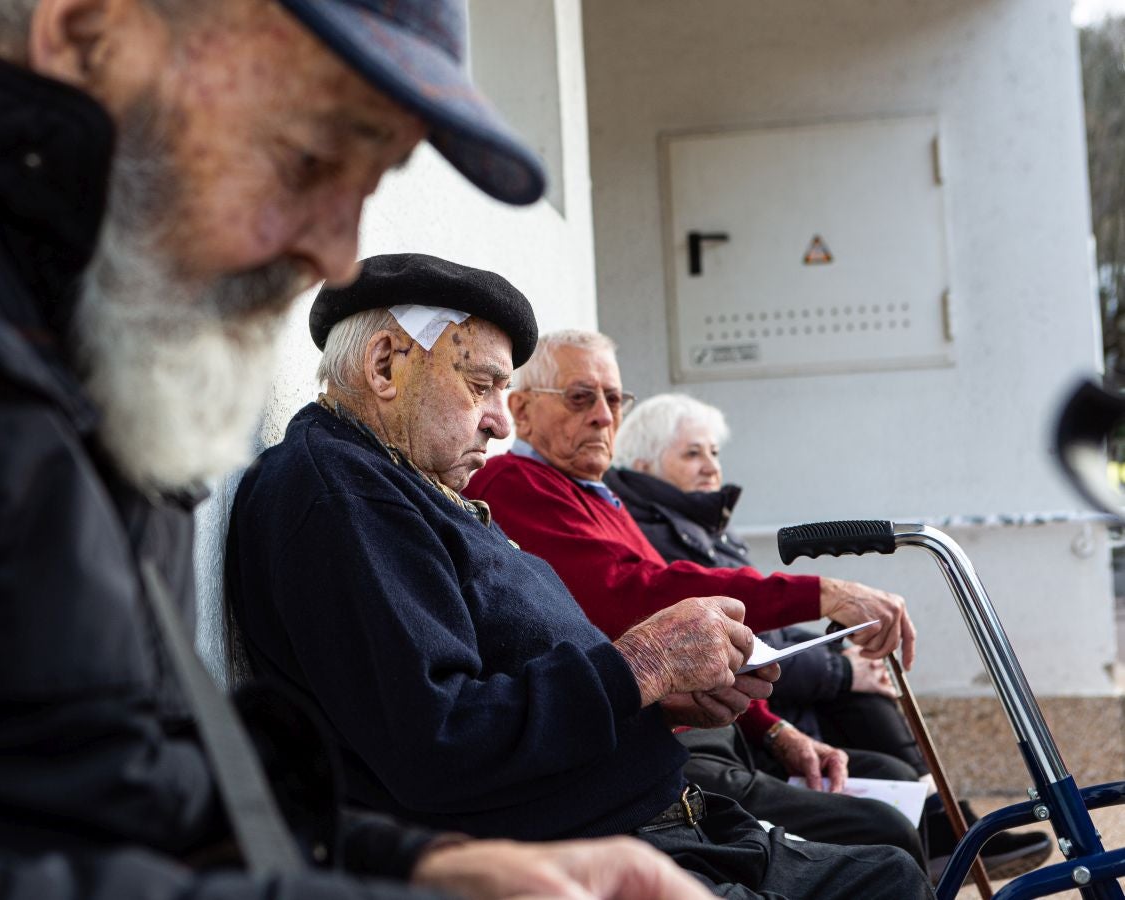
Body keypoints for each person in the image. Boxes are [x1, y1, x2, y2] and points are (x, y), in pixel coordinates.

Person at [0, 0, 717, 896]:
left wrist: (408, 869)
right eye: (309, 158)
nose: (338, 256)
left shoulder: (93, 321)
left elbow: (116, 792)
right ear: (93, 34)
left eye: (369, 185)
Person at [227, 252, 936, 899]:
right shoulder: (344, 497)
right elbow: (440, 740)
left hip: (660, 816)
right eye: (483, 386)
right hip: (591, 854)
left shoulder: (406, 483)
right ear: (385, 367)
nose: (501, 423)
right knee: (887, 879)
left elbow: (522, 679)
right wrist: (645, 665)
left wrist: (665, 700)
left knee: (892, 871)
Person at [462, 330, 928, 863]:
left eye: (613, 399)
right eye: (580, 397)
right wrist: (821, 591)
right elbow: (641, 596)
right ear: (520, 408)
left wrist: (775, 733)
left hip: (706, 734)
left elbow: (686, 626)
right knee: (884, 835)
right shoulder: (515, 483)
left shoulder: (599, 496)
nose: (603, 415)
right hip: (658, 752)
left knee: (888, 787)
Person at [604, 391, 1054, 883]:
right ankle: (945, 835)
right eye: (693, 453)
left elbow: (762, 625)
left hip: (758, 711)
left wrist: (837, 656)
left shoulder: (692, 525)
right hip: (731, 719)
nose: (711, 466)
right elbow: (719, 633)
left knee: (867, 693)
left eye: (713, 452)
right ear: (643, 461)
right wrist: (838, 669)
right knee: (875, 774)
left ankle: (949, 828)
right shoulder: (658, 530)